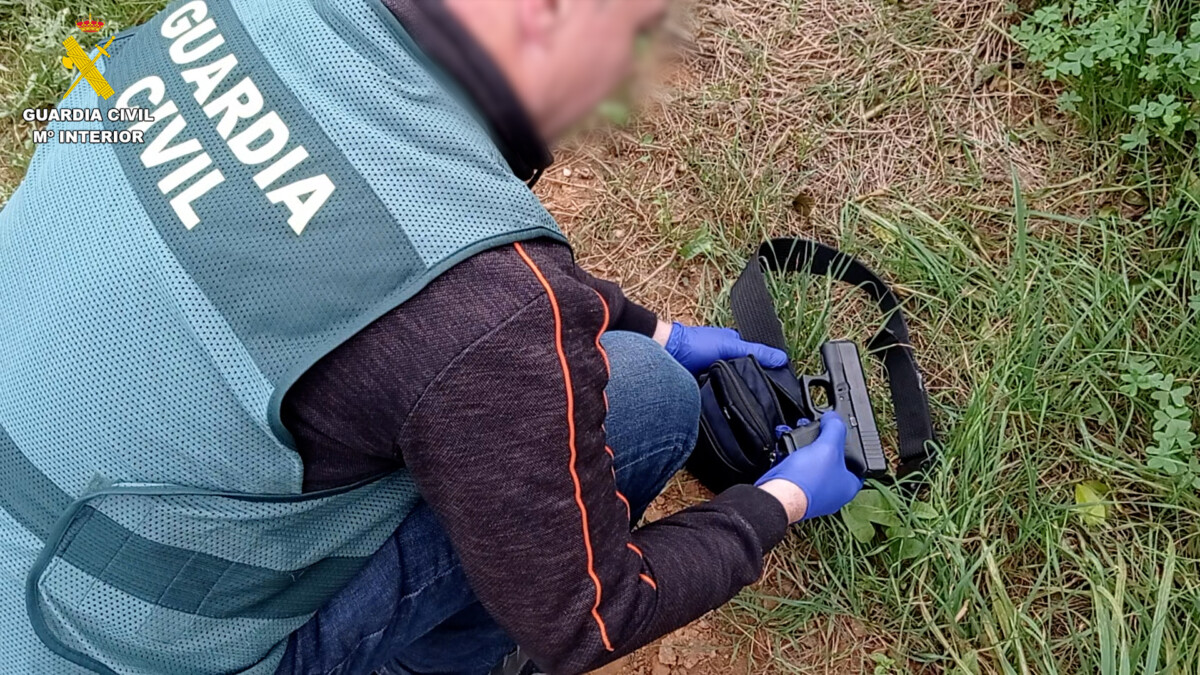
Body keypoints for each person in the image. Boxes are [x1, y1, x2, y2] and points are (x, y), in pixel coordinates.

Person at [0, 0, 864, 673]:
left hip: (39, 519)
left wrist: (654, 324)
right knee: (646, 402)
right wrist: (777, 500)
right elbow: (587, 617)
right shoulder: (491, 315)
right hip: (104, 646)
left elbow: (334, 247)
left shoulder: (229, 18)